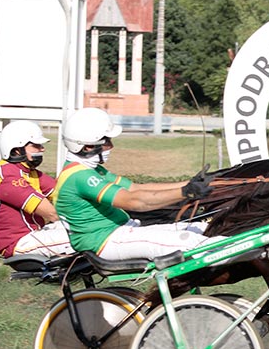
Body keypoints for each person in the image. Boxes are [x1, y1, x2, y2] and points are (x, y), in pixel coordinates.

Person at [53, 107, 224, 262]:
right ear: (88, 146)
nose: (111, 146)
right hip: (105, 241)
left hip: (119, 232)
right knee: (193, 242)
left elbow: (136, 188)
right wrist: (185, 193)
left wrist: (189, 183)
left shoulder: (91, 170)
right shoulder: (80, 177)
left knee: (201, 227)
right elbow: (136, 202)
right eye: (106, 142)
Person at [0, 120, 74, 258]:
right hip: (18, 243)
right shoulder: (6, 176)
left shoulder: (30, 172)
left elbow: (67, 195)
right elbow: (52, 214)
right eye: (36, 145)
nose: (42, 149)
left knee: (93, 229)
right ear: (16, 149)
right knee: (85, 236)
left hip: (36, 234)